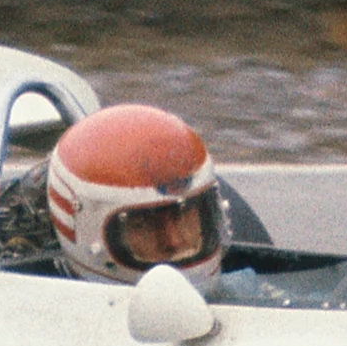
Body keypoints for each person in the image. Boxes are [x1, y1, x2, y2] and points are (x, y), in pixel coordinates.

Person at [30, 103, 230, 291]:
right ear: (90, 235)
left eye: (182, 216)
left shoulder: (250, 291)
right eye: (143, 225)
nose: (174, 242)